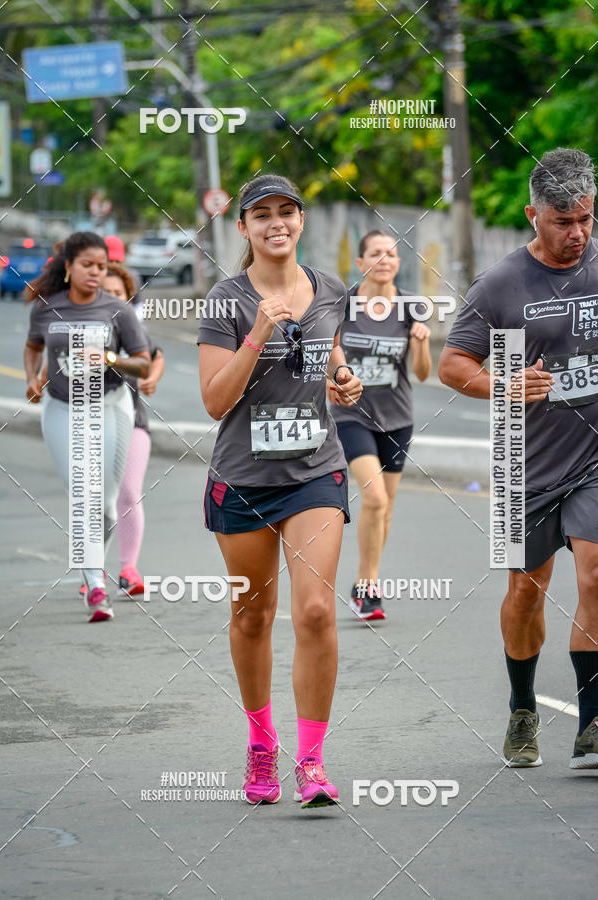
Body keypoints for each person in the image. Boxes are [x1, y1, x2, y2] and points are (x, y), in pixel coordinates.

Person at [198, 174, 362, 808]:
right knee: (252, 617)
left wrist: (342, 377)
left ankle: (312, 762)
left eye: (286, 212)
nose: (276, 223)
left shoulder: (329, 289)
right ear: (243, 228)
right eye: (260, 214)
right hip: (242, 479)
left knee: (316, 611)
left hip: (315, 472)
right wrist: (258, 334)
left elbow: (329, 350)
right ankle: (261, 744)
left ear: (301, 220)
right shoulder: (225, 299)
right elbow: (214, 401)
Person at [438, 148, 598, 769]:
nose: (577, 233)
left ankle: (591, 723)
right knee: (526, 592)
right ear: (533, 215)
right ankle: (523, 707)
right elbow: (453, 365)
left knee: (594, 575)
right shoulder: (501, 285)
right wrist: (503, 385)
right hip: (523, 462)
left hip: (591, 460)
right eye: (562, 221)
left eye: (585, 218)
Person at [23, 232, 150, 622]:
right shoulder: (46, 307)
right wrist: (32, 377)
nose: (96, 273)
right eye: (88, 265)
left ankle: (93, 565)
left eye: (102, 266)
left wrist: (109, 357)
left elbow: (143, 362)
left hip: (112, 407)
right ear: (69, 266)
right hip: (62, 408)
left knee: (107, 504)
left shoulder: (118, 310)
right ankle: (96, 585)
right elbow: (33, 347)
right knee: (82, 493)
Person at [331, 231, 431, 620]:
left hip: (397, 419)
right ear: (360, 264)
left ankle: (362, 582)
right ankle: (369, 587)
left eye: (391, 254)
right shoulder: (344, 305)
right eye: (376, 254)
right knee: (374, 500)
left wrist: (420, 342)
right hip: (351, 415)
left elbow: (422, 374)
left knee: (385, 510)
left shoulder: (410, 307)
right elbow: (326, 350)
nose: (384, 260)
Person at [103, 261, 165, 599]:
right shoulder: (81, 327)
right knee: (96, 500)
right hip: (90, 423)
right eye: (105, 293)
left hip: (134, 421)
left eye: (118, 294)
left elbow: (156, 356)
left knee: (128, 493)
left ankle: (129, 568)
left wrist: (152, 377)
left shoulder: (132, 329)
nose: (112, 300)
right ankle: (93, 572)